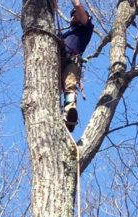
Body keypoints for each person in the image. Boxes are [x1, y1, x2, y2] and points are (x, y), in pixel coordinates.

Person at [60, 0, 94, 132]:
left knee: (70, 84)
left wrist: (77, 5)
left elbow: (78, 6)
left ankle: (70, 111)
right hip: (56, 65)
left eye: (77, 14)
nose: (74, 15)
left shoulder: (86, 29)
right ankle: (61, 114)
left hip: (71, 62)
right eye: (72, 14)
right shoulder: (64, 35)